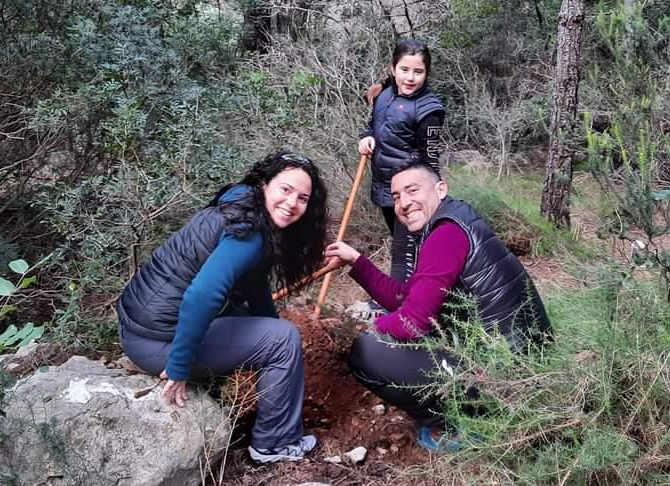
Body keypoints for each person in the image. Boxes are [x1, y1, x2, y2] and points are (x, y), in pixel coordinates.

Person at [323, 160, 551, 452]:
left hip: (504, 378)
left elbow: (412, 323)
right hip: (520, 363)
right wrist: (357, 261)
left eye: (412, 190)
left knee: (366, 350)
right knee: (389, 323)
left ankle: (467, 424)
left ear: (440, 189)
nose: (404, 203)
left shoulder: (446, 235)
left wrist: (367, 327)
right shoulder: (452, 222)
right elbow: (405, 298)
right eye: (396, 197)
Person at [117, 151, 328, 463]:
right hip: (157, 344)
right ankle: (274, 444)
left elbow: (254, 283)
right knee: (284, 339)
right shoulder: (251, 236)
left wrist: (269, 324)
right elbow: (202, 296)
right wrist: (179, 366)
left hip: (138, 327)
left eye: (303, 198)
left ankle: (263, 397)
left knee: (270, 330)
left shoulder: (239, 202)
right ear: (265, 184)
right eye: (285, 189)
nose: (292, 203)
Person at [359, 38, 446, 282]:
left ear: (426, 73)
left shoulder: (429, 109)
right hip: (384, 185)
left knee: (402, 252)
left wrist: (430, 196)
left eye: (418, 72)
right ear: (393, 68)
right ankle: (417, 292)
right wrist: (366, 137)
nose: (410, 78)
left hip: (410, 191)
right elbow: (372, 126)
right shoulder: (383, 95)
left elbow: (431, 157)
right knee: (405, 246)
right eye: (404, 70)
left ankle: (397, 300)